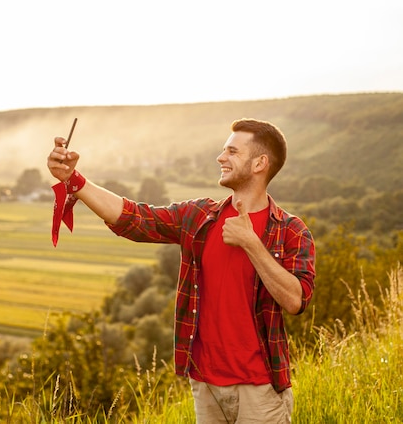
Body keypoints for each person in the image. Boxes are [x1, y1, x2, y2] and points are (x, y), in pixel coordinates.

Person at [47, 118, 316, 423]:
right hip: (205, 386)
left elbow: (296, 300)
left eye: (232, 151)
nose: (221, 157)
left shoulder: (292, 231)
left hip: (261, 390)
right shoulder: (199, 216)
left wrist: (251, 244)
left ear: (260, 164)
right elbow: (135, 218)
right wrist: (75, 181)